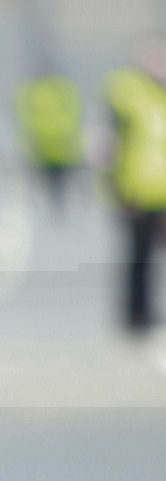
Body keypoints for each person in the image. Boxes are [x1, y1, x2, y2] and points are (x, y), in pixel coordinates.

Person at [102, 39, 166, 334]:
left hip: (161, 190)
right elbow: (111, 144)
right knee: (139, 257)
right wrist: (117, 186)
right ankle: (135, 314)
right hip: (137, 190)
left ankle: (149, 309)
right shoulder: (127, 95)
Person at [15, 72, 84, 217]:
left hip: (54, 150)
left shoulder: (35, 91)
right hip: (53, 150)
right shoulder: (62, 89)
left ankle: (56, 216)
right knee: (52, 193)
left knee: (55, 193)